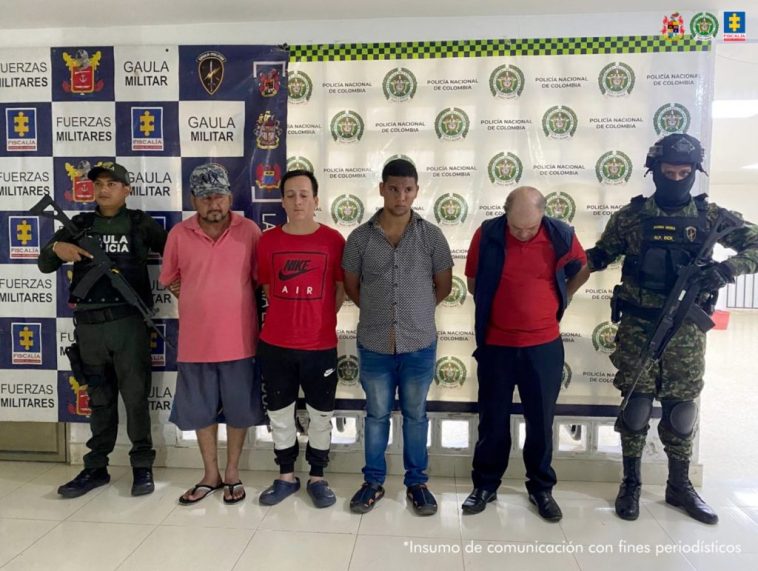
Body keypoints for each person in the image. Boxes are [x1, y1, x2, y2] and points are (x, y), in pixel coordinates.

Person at [586, 133, 758, 524]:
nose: (676, 178)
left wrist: (727, 269)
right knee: (636, 407)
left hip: (686, 333)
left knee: (681, 411)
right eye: (669, 171)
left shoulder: (712, 218)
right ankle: (630, 483)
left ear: (695, 173)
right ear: (654, 172)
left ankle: (678, 486)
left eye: (684, 172)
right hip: (638, 328)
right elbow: (600, 254)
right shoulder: (631, 217)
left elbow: (756, 244)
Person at [38, 162, 167, 498]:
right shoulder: (79, 224)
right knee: (100, 400)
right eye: (98, 184)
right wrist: (56, 249)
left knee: (136, 399)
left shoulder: (139, 224)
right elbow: (43, 263)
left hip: (128, 324)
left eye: (112, 183)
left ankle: (142, 467)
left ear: (127, 190)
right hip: (90, 328)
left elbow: (176, 254)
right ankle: (95, 467)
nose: (104, 189)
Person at [461, 187, 589, 521]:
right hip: (496, 345)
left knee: (541, 420)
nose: (521, 234)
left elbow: (581, 268)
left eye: (529, 229)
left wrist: (561, 297)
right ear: (505, 213)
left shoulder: (560, 235)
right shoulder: (487, 234)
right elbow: (473, 281)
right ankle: (485, 485)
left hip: (543, 346)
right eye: (515, 227)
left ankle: (541, 488)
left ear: (542, 217)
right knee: (492, 419)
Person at [342, 158, 453, 516]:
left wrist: (413, 312)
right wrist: (381, 313)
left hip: (419, 343)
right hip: (374, 344)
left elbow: (444, 285)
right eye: (393, 188)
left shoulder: (431, 235)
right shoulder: (359, 238)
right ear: (381, 189)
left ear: (416, 191)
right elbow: (352, 286)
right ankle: (372, 483)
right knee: (376, 415)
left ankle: (417, 483)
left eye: (407, 189)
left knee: (416, 415)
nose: (400, 196)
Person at [159, 162, 264, 505]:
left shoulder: (249, 231)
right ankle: (210, 474)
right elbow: (171, 279)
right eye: (205, 198)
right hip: (195, 343)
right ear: (193, 199)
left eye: (219, 195)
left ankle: (232, 472)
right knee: (201, 413)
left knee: (239, 411)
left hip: (240, 341)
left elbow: (260, 280)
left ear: (230, 196)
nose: (213, 203)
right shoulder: (178, 234)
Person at [255, 169, 346, 508]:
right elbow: (267, 287)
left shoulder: (334, 240)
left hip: (320, 345)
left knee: (321, 414)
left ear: (316, 200)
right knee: (280, 412)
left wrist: (318, 320)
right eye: (290, 195)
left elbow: (339, 289)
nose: (297, 201)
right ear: (282, 201)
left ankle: (318, 476)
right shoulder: (267, 241)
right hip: (276, 344)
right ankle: (286, 476)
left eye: (304, 194)